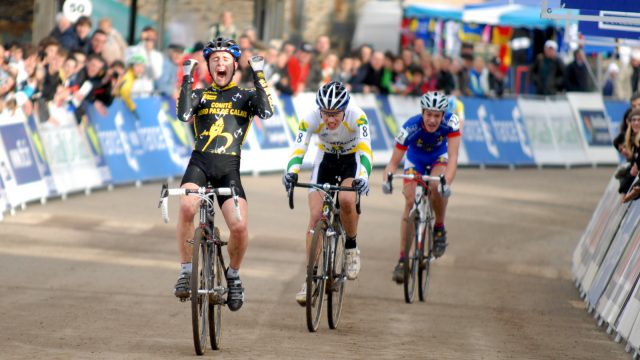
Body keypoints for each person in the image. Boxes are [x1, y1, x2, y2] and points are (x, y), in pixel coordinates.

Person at [174, 37, 274, 311]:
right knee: (186, 206)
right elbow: (183, 116)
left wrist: (259, 74)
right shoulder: (200, 95)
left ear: (235, 66)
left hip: (229, 169)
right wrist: (187, 77)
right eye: (215, 59)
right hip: (200, 164)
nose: (220, 63)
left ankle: (234, 275)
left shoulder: (246, 96)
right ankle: (185, 271)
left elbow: (266, 112)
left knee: (239, 227)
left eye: (226, 59)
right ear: (208, 66)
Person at [282, 81, 372, 305]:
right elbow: (299, 148)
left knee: (347, 199)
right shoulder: (310, 118)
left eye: (335, 114)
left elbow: (365, 150)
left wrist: (363, 177)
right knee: (314, 217)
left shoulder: (357, 117)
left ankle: (351, 247)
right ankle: (310, 277)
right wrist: (291, 172)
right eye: (326, 114)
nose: (330, 119)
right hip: (326, 161)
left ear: (345, 110)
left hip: (351, 161)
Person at [382, 91, 461, 284]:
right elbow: (393, 163)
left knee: (436, 184)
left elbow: (453, 159)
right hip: (415, 160)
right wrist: (387, 180)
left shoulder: (451, 123)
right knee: (409, 202)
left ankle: (439, 229)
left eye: (437, 115)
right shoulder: (410, 127)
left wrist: (447, 183)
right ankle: (402, 259)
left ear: (443, 115)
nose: (432, 120)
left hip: (439, 158)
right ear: (422, 112)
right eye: (429, 114)